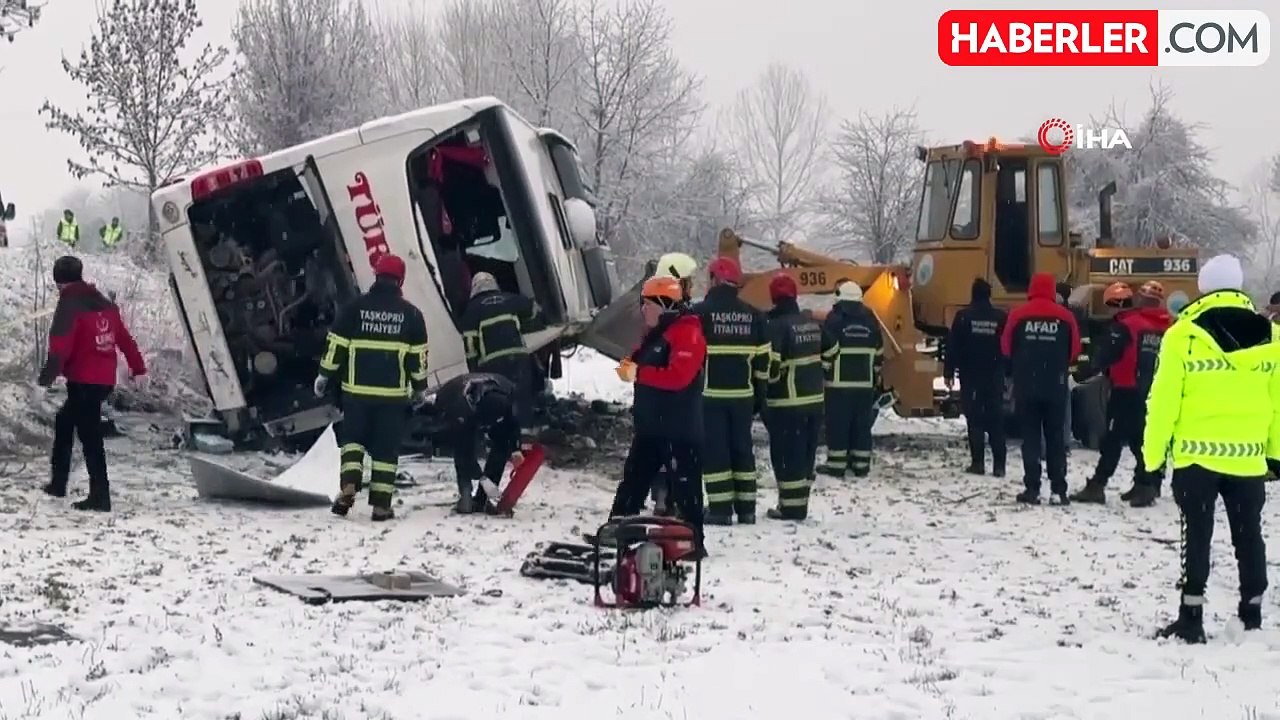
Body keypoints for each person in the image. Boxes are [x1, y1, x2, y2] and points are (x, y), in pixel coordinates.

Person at [1143, 255, 1279, 643]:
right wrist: (1275, 454)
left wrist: (1153, 458)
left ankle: (1191, 618)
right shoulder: (1271, 336)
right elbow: (1278, 403)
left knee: (1197, 535)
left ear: (1203, 287)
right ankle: (1251, 613)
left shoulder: (1183, 335)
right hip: (1248, 459)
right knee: (1249, 535)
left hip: (1197, 459)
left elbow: (1163, 401)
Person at [315, 253, 429, 522]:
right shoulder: (412, 315)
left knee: (352, 442)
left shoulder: (354, 308)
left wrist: (323, 376)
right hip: (392, 398)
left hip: (356, 393)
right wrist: (420, 388)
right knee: (385, 452)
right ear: (400, 280)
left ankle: (348, 486)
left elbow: (336, 348)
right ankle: (380, 507)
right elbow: (418, 359)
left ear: (376, 276)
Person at [37, 256, 146, 512]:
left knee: (90, 436)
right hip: (102, 380)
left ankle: (100, 496)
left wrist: (43, 382)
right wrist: (138, 368)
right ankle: (59, 482)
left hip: (84, 381)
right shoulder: (102, 302)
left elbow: (59, 350)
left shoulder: (69, 305)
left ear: (59, 281)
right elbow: (124, 339)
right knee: (65, 421)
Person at [609, 276, 707, 553]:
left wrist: (639, 372)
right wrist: (631, 365)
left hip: (679, 429)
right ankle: (617, 532)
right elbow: (641, 359)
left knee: (686, 489)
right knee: (633, 482)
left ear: (665, 305)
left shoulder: (687, 331)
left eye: (647, 304)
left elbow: (679, 376)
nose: (643, 310)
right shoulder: (659, 333)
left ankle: (692, 542)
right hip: (652, 427)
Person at [1071, 281, 1172, 507]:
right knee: (1141, 440)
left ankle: (1098, 485)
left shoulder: (1128, 325)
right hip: (1155, 392)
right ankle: (1147, 483)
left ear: (1140, 300)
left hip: (1126, 390)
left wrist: (1081, 372)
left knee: (1113, 439)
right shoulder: (1167, 328)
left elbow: (1105, 355)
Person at [693, 257, 770, 525]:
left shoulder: (698, 314)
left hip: (710, 397)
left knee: (716, 452)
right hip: (743, 398)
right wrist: (759, 396)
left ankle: (721, 508)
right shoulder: (754, 316)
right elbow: (763, 363)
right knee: (742, 449)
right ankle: (747, 509)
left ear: (714, 279)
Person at [1000, 272, 1081, 505]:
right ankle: (1058, 489)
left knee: (1031, 438)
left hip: (1026, 385)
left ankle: (1032, 488)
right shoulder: (1065, 317)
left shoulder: (1017, 315)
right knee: (1055, 438)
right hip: (1055, 385)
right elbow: (1074, 350)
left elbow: (1005, 347)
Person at [762, 274, 824, 520]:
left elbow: (772, 367)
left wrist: (764, 387)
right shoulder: (810, 323)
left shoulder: (776, 327)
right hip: (815, 402)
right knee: (806, 455)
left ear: (773, 297)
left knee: (787, 456)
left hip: (787, 403)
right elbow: (832, 350)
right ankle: (801, 505)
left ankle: (790, 508)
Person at [818, 279, 884, 479]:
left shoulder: (834, 319)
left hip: (838, 386)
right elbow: (879, 352)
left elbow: (826, 350)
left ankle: (837, 466)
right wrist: (875, 376)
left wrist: (824, 373)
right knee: (861, 426)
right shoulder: (871, 320)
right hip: (864, 385)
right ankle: (861, 465)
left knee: (838, 425)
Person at [433, 372, 523, 514]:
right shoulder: (461, 407)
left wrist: (516, 449)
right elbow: (464, 448)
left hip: (496, 390)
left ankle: (483, 498)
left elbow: (512, 425)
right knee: (462, 451)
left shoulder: (509, 396)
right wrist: (479, 474)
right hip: (449, 400)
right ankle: (466, 497)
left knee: (503, 443)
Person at [943, 278, 1007, 476]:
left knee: (975, 419)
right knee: (996, 419)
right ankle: (999, 466)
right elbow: (1008, 347)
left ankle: (978, 463)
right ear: (989, 294)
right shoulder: (1001, 317)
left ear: (972, 294)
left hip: (971, 375)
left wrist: (948, 372)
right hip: (995, 375)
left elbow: (953, 347)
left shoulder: (963, 317)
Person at [460, 271, 538, 428]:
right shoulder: (511, 299)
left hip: (493, 362)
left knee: (499, 398)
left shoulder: (472, 310)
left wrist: (473, 369)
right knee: (522, 394)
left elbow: (470, 344)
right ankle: (526, 431)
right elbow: (533, 309)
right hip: (519, 356)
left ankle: (503, 432)